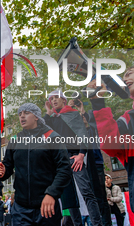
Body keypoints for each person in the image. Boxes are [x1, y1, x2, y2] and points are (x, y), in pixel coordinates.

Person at [88, 63, 134, 225]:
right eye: (124, 76)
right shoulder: (127, 119)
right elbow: (111, 146)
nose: (125, 78)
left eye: (130, 73)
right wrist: (98, 102)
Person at [0, 103, 72, 226]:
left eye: (26, 113)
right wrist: (1, 172)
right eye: (20, 114)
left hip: (47, 207)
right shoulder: (15, 140)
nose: (22, 117)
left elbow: (64, 169)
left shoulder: (52, 137)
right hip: (20, 209)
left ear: (36, 116)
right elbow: (7, 167)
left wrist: (51, 193)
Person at [44, 90, 103, 226]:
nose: (53, 100)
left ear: (64, 100)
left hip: (75, 157)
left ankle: (97, 223)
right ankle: (77, 224)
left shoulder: (73, 114)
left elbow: (84, 135)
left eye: (56, 98)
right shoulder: (52, 118)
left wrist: (82, 154)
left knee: (86, 191)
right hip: (61, 161)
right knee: (69, 196)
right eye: (51, 99)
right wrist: (48, 111)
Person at [68, 99, 112, 226]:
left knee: (99, 197)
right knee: (82, 196)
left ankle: (104, 223)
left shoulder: (92, 131)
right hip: (79, 165)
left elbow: (92, 123)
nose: (82, 119)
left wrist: (82, 109)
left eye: (83, 117)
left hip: (95, 164)